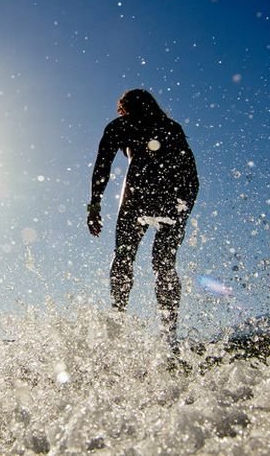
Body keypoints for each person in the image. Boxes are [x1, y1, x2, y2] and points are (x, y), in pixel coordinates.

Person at [87, 89, 199, 352]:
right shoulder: (171, 126)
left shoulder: (121, 125)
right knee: (164, 264)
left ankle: (118, 320)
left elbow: (102, 167)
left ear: (123, 108)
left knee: (124, 257)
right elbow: (190, 174)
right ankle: (169, 334)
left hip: (139, 195)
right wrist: (184, 207)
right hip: (173, 197)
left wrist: (94, 205)